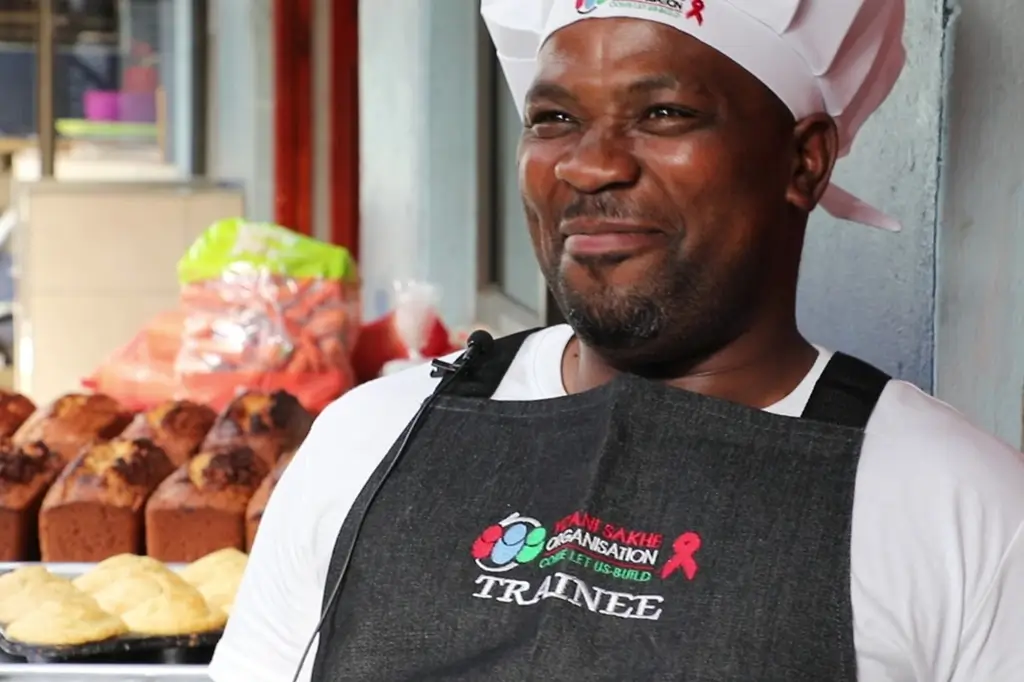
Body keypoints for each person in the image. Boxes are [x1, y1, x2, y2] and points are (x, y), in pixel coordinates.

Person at [210, 0, 1024, 680]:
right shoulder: (371, 439)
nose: (589, 166)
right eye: (556, 118)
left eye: (662, 113)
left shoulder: (960, 505)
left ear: (803, 163)